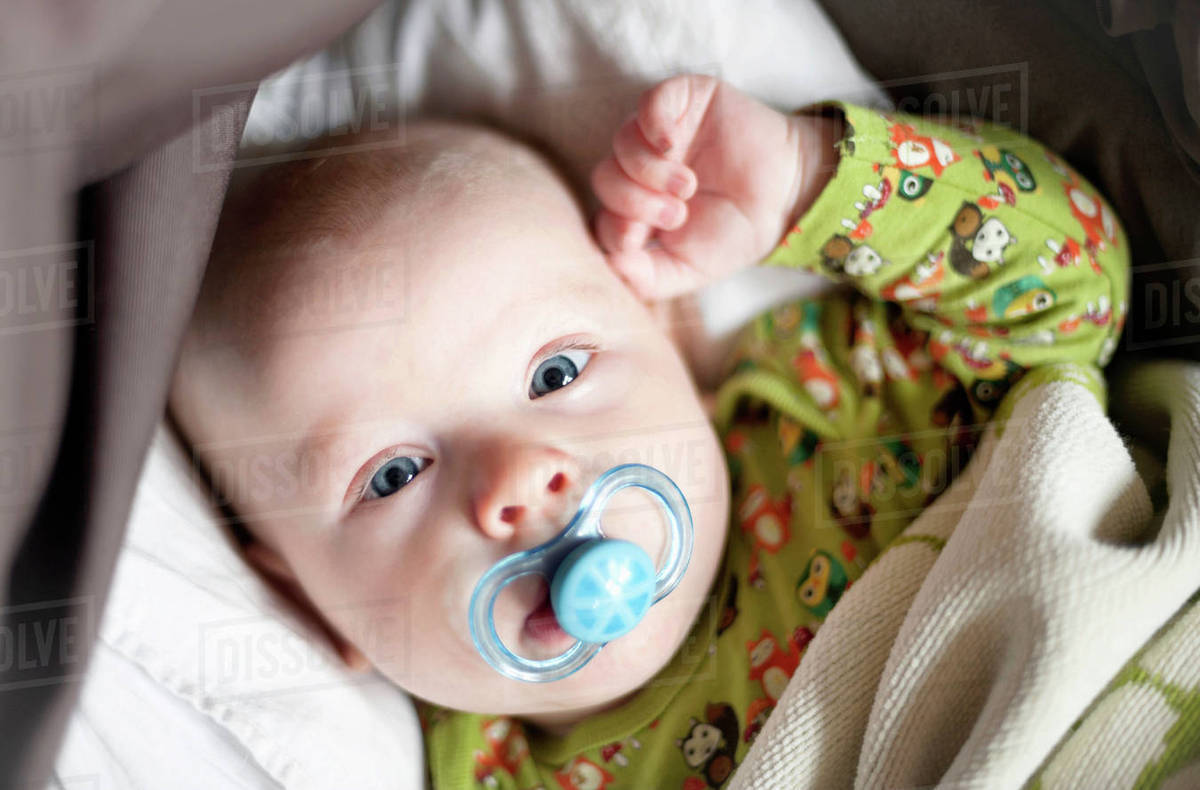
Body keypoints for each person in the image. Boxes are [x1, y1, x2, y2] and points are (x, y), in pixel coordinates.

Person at [169, 74, 1128, 788]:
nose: (519, 478)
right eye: (392, 475)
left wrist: (806, 184)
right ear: (308, 602)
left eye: (555, 374)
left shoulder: (845, 404)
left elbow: (1076, 287)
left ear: (668, 335)